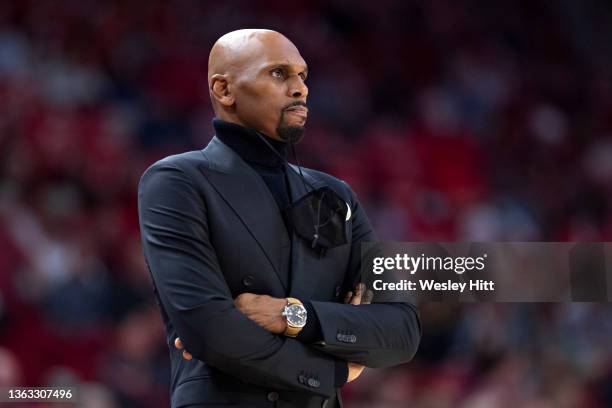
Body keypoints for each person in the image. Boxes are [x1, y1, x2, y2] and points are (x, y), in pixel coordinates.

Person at [138, 29, 421, 408]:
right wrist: (336, 370)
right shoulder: (177, 181)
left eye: (302, 76)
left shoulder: (336, 195)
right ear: (224, 90)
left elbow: (401, 330)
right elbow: (210, 331)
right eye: (278, 73)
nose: (300, 89)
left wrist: (295, 315)